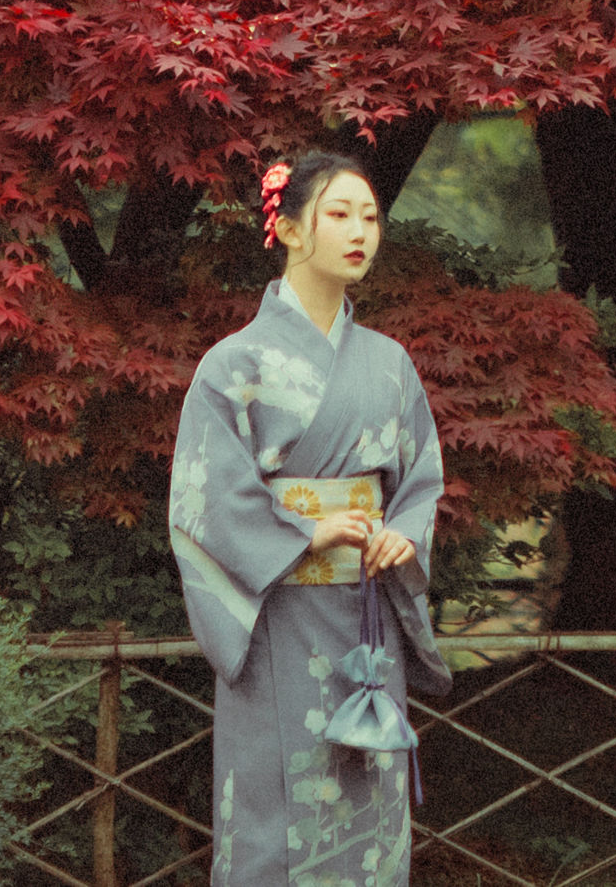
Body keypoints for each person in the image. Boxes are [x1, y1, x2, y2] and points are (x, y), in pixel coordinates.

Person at [172, 146, 450, 887]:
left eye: (370, 217)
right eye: (338, 214)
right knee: (273, 815)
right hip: (275, 624)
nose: (359, 231)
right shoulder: (232, 366)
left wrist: (400, 533)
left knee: (370, 806)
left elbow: (420, 480)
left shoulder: (389, 365)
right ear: (290, 230)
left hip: (364, 623)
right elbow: (204, 502)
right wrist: (302, 534)